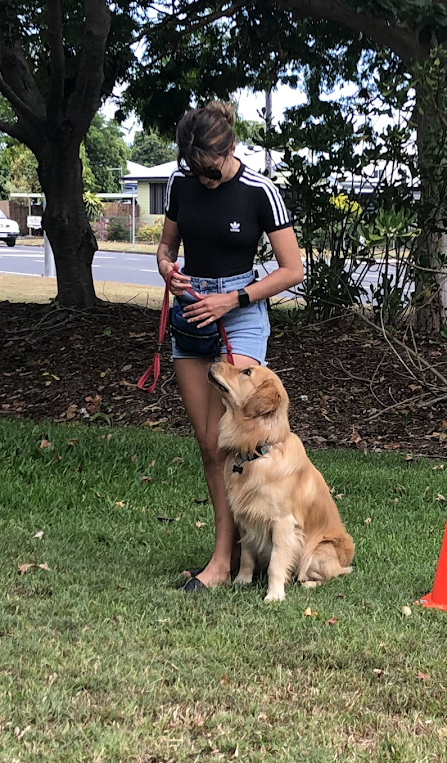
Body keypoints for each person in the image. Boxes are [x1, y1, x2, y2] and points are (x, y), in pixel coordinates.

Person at [156, 101, 303, 591]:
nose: (206, 180)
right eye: (197, 171)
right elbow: (166, 247)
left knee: (234, 439)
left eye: (213, 170)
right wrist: (166, 267)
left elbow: (292, 270)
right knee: (208, 443)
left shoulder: (260, 191)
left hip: (238, 315)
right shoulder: (180, 184)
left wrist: (233, 299)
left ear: (231, 148)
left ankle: (226, 561)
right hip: (190, 315)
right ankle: (236, 548)